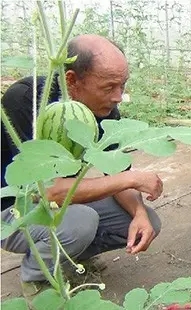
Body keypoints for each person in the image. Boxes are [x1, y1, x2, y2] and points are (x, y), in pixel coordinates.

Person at [1, 34, 162, 298]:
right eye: (109, 87)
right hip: (13, 209)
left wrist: (140, 213)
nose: (118, 97)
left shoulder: (104, 108)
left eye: (122, 86)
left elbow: (117, 171)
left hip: (63, 204)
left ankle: (68, 258)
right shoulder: (26, 101)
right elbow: (48, 191)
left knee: (146, 219)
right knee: (81, 221)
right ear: (72, 80)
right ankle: (36, 278)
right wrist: (131, 179)